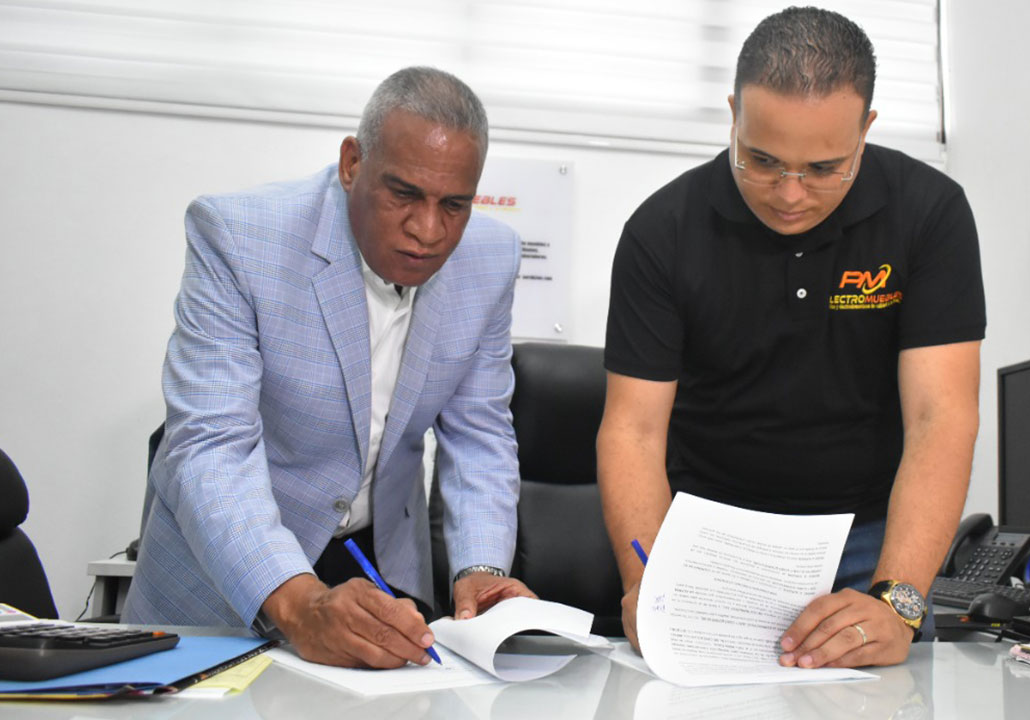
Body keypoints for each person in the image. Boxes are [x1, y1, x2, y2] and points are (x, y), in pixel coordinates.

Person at [598, 7, 984, 668]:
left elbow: (939, 416)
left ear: (866, 129)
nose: (790, 195)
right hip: (710, 544)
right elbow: (633, 431)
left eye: (825, 168)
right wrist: (648, 583)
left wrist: (898, 602)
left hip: (871, 541)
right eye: (762, 160)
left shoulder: (929, 213)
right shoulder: (662, 231)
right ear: (733, 116)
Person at [123, 67, 534, 668]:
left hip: (376, 565)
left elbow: (480, 433)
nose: (428, 231)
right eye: (403, 194)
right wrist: (298, 602)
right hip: (229, 575)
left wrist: (482, 570)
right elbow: (209, 444)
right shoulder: (239, 236)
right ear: (351, 164)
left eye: (454, 205)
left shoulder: (491, 258)